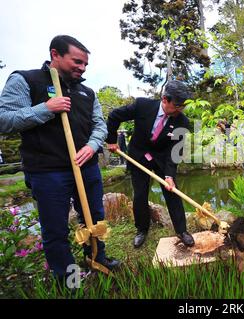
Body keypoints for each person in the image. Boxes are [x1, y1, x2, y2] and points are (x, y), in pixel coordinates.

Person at [0, 35, 120, 284]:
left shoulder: (86, 91)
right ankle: (69, 280)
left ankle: (97, 256)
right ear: (55, 54)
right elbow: (4, 120)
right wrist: (46, 109)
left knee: (95, 217)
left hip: (86, 167)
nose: (82, 68)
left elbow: (99, 125)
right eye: (77, 61)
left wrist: (91, 145)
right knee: (56, 229)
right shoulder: (26, 80)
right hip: (47, 172)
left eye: (85, 64)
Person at [106, 80, 195, 248]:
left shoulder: (182, 122)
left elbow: (175, 151)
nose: (180, 109)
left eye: (183, 106)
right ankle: (141, 230)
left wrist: (169, 175)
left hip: (162, 159)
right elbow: (114, 116)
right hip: (139, 156)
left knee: (172, 192)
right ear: (164, 99)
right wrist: (111, 140)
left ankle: (182, 230)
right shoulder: (142, 106)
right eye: (177, 105)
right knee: (140, 195)